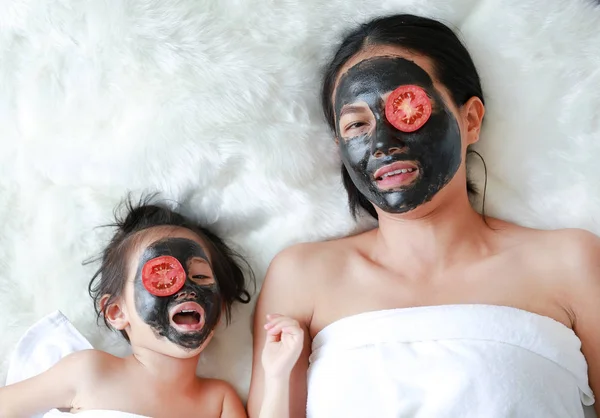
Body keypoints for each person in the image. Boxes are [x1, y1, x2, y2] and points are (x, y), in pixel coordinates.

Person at [248, 14, 600, 418]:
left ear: (470, 120)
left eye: (408, 109)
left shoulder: (569, 262)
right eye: (357, 125)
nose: (382, 144)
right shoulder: (302, 276)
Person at [0, 197, 304, 418]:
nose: (187, 288)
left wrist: (277, 376)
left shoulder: (217, 400)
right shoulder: (89, 372)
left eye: (200, 277)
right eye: (161, 277)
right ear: (117, 312)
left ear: (219, 307)